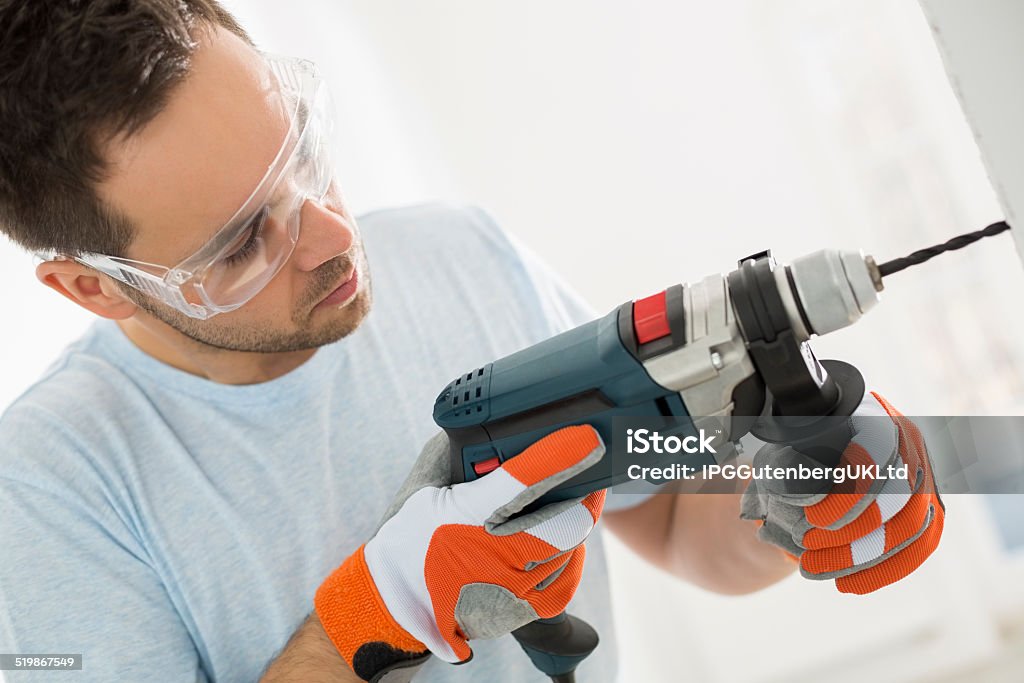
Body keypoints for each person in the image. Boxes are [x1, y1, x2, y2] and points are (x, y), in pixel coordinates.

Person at [0, 3, 944, 682]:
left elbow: (668, 525)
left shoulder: (460, 252)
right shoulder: (48, 495)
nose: (333, 236)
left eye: (301, 153)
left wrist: (799, 487)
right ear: (93, 287)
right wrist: (372, 619)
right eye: (244, 241)